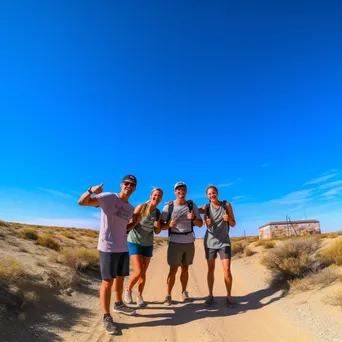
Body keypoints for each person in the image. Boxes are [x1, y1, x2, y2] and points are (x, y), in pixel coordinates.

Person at [77, 175, 140, 335]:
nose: (129, 186)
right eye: (126, 183)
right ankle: (106, 316)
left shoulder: (130, 208)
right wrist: (90, 190)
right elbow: (82, 202)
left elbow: (125, 228)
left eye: (132, 185)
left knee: (119, 279)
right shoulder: (109, 198)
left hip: (122, 247)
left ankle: (118, 304)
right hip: (107, 247)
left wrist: (135, 222)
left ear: (135, 188)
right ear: (121, 184)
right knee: (107, 283)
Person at [161, 182, 203, 305]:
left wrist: (194, 218)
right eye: (178, 190)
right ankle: (168, 295)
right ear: (175, 192)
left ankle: (184, 292)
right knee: (173, 270)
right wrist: (168, 225)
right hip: (174, 241)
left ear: (186, 191)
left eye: (183, 189)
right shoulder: (168, 207)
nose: (181, 191)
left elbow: (200, 224)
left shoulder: (192, 205)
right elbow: (161, 227)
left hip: (189, 241)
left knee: (185, 268)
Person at [198, 185, 236, 307]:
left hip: (224, 242)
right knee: (211, 269)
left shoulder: (226, 205)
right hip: (210, 243)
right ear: (207, 196)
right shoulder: (206, 207)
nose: (212, 195)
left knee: (227, 269)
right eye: (209, 194)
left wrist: (228, 218)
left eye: (213, 193)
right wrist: (174, 203)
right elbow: (193, 210)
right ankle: (210, 295)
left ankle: (229, 296)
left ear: (217, 193)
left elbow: (233, 223)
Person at [124, 188, 164, 307]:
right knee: (139, 270)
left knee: (144, 272)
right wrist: (136, 221)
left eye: (159, 196)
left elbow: (157, 231)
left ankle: (139, 295)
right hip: (134, 241)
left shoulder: (157, 213)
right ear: (151, 195)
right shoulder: (141, 207)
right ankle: (128, 290)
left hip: (148, 244)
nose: (157, 197)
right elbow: (130, 225)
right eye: (155, 195)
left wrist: (158, 227)